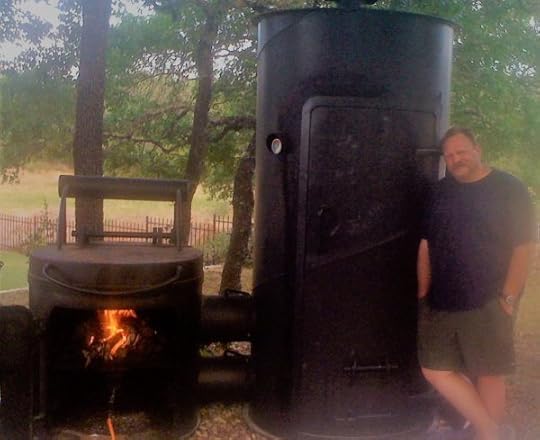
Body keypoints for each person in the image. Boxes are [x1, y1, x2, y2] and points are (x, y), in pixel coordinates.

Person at [416, 127, 536, 440]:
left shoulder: (509, 188)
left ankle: (486, 436)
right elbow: (426, 243)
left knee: (489, 373)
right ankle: (490, 431)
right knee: (435, 368)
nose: (456, 159)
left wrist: (508, 297)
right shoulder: (439, 191)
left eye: (461, 152)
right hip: (440, 300)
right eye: (450, 155)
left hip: (489, 300)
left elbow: (523, 247)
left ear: (477, 149)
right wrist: (423, 291)